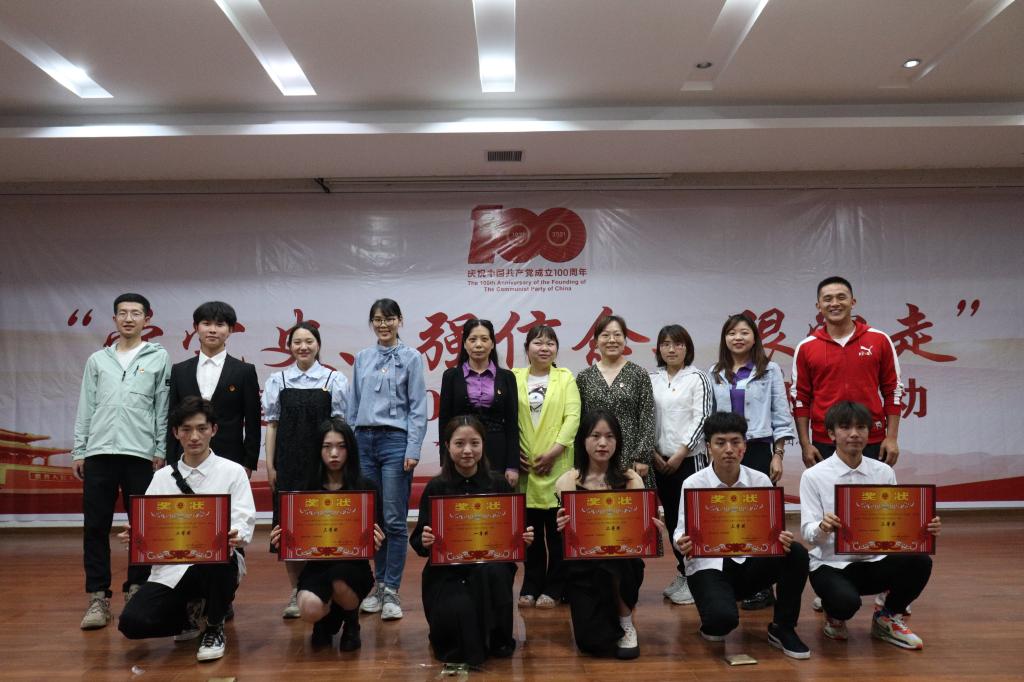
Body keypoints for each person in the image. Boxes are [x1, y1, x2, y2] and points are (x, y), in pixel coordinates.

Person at [118, 397, 256, 662]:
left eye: (202, 428)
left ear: (213, 430)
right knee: (132, 623)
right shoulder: (161, 478)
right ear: (175, 432)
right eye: (186, 429)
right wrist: (136, 537)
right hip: (171, 569)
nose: (194, 437)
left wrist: (233, 535)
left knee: (218, 557)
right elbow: (149, 526)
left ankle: (214, 627)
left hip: (216, 566)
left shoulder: (233, 472)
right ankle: (189, 618)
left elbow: (244, 520)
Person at [800, 401, 940, 650]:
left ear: (869, 432)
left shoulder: (883, 472)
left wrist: (923, 528)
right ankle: (835, 616)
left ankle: (887, 616)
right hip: (831, 564)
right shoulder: (813, 476)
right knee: (845, 603)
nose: (854, 434)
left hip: (875, 561)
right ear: (831, 434)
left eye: (861, 427)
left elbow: (896, 523)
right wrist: (822, 527)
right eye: (845, 427)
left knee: (920, 561)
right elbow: (807, 533)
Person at [673, 411, 811, 660]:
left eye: (735, 442)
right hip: (710, 566)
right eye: (720, 442)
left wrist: (781, 538)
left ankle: (783, 627)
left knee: (796, 553)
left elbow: (772, 530)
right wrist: (681, 541)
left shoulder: (760, 480)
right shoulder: (694, 483)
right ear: (708, 447)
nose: (728, 449)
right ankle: (713, 617)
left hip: (750, 564)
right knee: (721, 623)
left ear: (744, 447)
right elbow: (681, 530)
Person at [73, 292, 171, 630]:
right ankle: (98, 598)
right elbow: (86, 406)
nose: (129, 318)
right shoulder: (97, 360)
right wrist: (80, 449)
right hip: (99, 452)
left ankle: (137, 590)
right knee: (95, 527)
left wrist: (160, 449)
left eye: (136, 313)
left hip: (140, 454)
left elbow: (162, 406)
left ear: (147, 319)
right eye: (123, 313)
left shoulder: (158, 357)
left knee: (142, 527)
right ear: (114, 319)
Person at [410, 415, 535, 667]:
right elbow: (419, 542)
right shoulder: (436, 487)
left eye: (474, 443)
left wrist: (523, 539)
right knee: (457, 640)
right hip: (448, 572)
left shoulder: (498, 483)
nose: (467, 450)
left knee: (493, 573)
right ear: (447, 446)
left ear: (483, 445)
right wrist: (425, 540)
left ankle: (497, 637)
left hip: (490, 568)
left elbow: (513, 535)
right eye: (459, 444)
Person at [269, 417, 385, 651]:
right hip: (318, 566)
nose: (334, 453)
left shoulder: (366, 487)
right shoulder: (304, 490)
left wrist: (377, 539)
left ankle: (351, 623)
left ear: (350, 450)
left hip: (353, 567)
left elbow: (380, 531)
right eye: (327, 446)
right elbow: (293, 539)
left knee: (340, 581)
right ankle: (324, 620)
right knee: (309, 607)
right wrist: (283, 540)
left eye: (341, 446)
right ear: (318, 450)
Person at [263, 321, 351, 618]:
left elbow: (340, 426)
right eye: (297, 342)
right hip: (288, 464)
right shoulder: (278, 380)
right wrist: (270, 465)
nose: (303, 347)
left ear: (318, 345)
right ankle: (296, 591)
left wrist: (339, 462)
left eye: (309, 341)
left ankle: (326, 588)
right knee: (291, 530)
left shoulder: (333, 379)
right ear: (289, 347)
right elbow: (272, 425)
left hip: (324, 464)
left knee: (325, 525)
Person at [708, 313, 795, 610]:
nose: (738, 338)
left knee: (760, 516)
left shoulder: (769, 370)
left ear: (754, 337)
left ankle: (763, 585)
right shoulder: (715, 371)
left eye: (744, 332)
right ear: (725, 338)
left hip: (757, 448)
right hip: (726, 450)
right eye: (732, 333)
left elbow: (781, 414)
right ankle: (732, 578)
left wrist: (778, 455)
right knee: (728, 513)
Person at [348, 299, 428, 622]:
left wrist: (413, 448)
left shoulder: (412, 358)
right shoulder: (362, 358)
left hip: (396, 442)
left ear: (400, 321)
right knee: (374, 519)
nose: (384, 325)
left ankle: (392, 589)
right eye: (378, 319)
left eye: (389, 318)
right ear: (372, 323)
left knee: (394, 519)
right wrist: (351, 448)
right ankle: (378, 586)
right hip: (364, 441)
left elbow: (418, 407)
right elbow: (353, 405)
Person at [555, 410, 649, 660]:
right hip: (583, 566)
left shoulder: (631, 479)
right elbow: (566, 536)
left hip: (623, 561)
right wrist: (561, 525)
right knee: (592, 643)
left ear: (618, 441)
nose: (602, 443)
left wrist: (651, 529)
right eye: (595, 436)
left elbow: (639, 530)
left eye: (609, 436)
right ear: (583, 441)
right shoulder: (567, 481)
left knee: (615, 558)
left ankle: (626, 621)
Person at [792, 276, 903, 468]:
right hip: (825, 441)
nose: (835, 303)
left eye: (841, 297)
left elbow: (893, 390)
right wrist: (805, 444)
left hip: (871, 438)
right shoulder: (806, 347)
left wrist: (891, 438)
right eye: (828, 299)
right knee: (827, 489)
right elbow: (800, 398)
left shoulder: (879, 340)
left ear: (853, 302)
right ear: (818, 306)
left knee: (872, 489)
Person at [512, 325, 580, 609]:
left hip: (557, 466)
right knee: (530, 534)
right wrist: (513, 454)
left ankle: (555, 586)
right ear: (527, 348)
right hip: (525, 468)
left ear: (556, 349)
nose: (544, 348)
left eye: (550, 343)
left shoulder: (565, 378)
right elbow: (506, 419)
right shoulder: (514, 377)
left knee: (556, 532)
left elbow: (573, 417)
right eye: (538, 343)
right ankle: (531, 583)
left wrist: (554, 452)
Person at [649, 323, 712, 608]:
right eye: (665, 344)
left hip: (689, 460)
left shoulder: (698, 378)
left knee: (691, 520)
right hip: (659, 460)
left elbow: (703, 418)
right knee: (673, 520)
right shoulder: (653, 378)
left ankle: (698, 578)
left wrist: (680, 453)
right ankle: (684, 572)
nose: (671, 349)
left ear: (687, 347)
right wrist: (654, 454)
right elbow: (646, 417)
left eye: (677, 343)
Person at [166, 301, 261, 476]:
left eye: (219, 324)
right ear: (196, 327)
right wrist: (171, 459)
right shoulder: (179, 370)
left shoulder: (244, 371)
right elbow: (173, 416)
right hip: (185, 457)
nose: (212, 330)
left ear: (230, 330)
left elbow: (252, 421)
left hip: (231, 457)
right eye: (206, 323)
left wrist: (249, 462)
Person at [575, 315, 656, 488]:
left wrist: (642, 457)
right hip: (596, 458)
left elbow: (647, 417)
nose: (612, 340)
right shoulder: (584, 377)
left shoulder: (639, 374)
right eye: (605, 335)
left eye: (617, 335)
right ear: (595, 342)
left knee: (631, 503)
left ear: (625, 340)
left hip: (631, 458)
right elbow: (580, 421)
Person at [438, 318, 520, 486]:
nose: (478, 345)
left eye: (484, 339)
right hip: (463, 450)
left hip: (498, 449)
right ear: (464, 344)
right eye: (472, 339)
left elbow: (512, 423)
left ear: (492, 343)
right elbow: (444, 423)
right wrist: (445, 461)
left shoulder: (507, 377)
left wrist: (513, 465)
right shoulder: (451, 376)